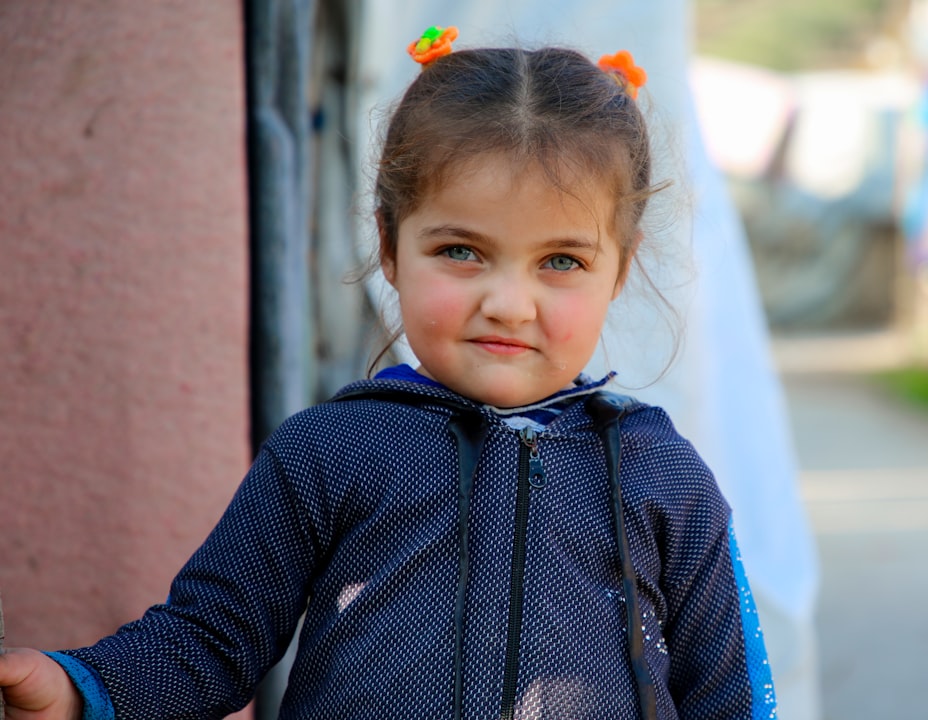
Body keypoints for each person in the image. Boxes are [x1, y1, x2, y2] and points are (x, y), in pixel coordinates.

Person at [0, 29, 775, 720]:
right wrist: (80, 688)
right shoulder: (328, 453)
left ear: (620, 269)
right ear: (390, 245)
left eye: (561, 261)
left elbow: (729, 694)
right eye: (461, 251)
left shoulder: (665, 475)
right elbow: (209, 639)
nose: (508, 303)